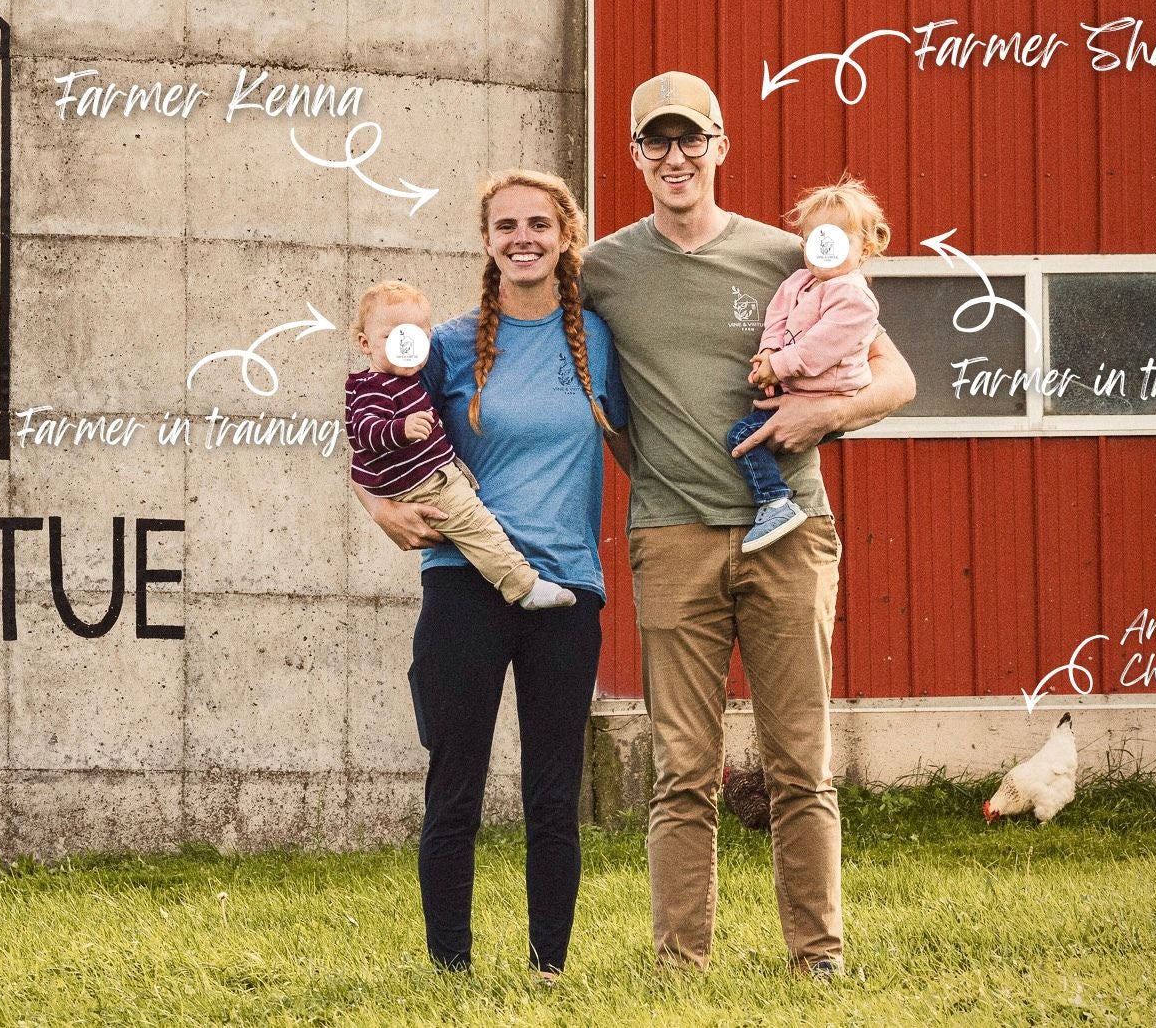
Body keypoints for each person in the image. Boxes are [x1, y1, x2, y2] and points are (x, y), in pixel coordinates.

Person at [580, 71, 915, 979]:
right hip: (672, 533)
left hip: (792, 530)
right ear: (638, 155)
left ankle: (819, 957)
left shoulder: (787, 256)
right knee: (682, 768)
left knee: (800, 760)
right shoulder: (604, 267)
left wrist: (821, 418)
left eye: (694, 139)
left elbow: (895, 377)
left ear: (723, 146)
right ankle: (679, 962)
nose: (677, 156)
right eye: (658, 141)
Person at [354, 170, 627, 979]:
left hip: (567, 590)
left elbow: (646, 429)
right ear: (485, 240)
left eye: (539, 223)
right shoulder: (448, 343)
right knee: (456, 788)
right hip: (463, 585)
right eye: (505, 224)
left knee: (553, 796)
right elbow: (372, 429)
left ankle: (549, 969)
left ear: (565, 234)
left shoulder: (599, 340)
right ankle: (450, 968)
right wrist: (379, 509)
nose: (523, 237)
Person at [345, 279, 579, 610]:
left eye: (417, 336)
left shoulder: (404, 378)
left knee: (475, 524)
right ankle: (523, 586)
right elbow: (363, 433)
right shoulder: (374, 387)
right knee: (477, 526)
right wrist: (401, 429)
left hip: (436, 473)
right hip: (424, 483)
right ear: (365, 343)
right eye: (392, 337)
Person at [728, 177, 890, 553]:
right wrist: (768, 354)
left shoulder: (854, 296)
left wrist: (782, 365)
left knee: (741, 438)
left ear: (864, 248)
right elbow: (777, 318)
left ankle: (775, 503)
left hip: (829, 389)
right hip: (797, 383)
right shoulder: (800, 282)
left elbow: (823, 345)